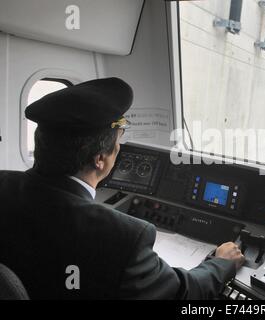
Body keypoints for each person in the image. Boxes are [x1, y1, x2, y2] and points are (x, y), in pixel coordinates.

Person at [0, 77, 244, 299]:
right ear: (100, 160)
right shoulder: (124, 237)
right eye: (118, 141)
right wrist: (221, 264)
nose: (119, 148)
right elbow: (183, 293)